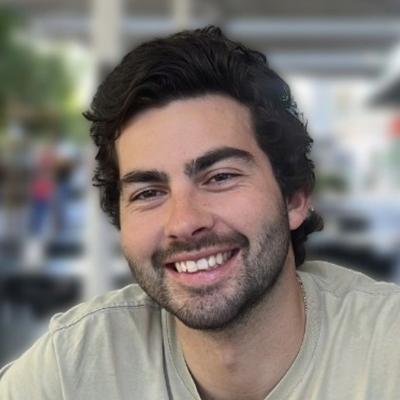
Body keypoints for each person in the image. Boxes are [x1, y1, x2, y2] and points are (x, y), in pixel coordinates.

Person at [1, 26, 400, 400]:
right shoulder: (73, 369)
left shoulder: (387, 353)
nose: (185, 222)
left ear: (294, 198)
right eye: (148, 192)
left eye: (220, 177)